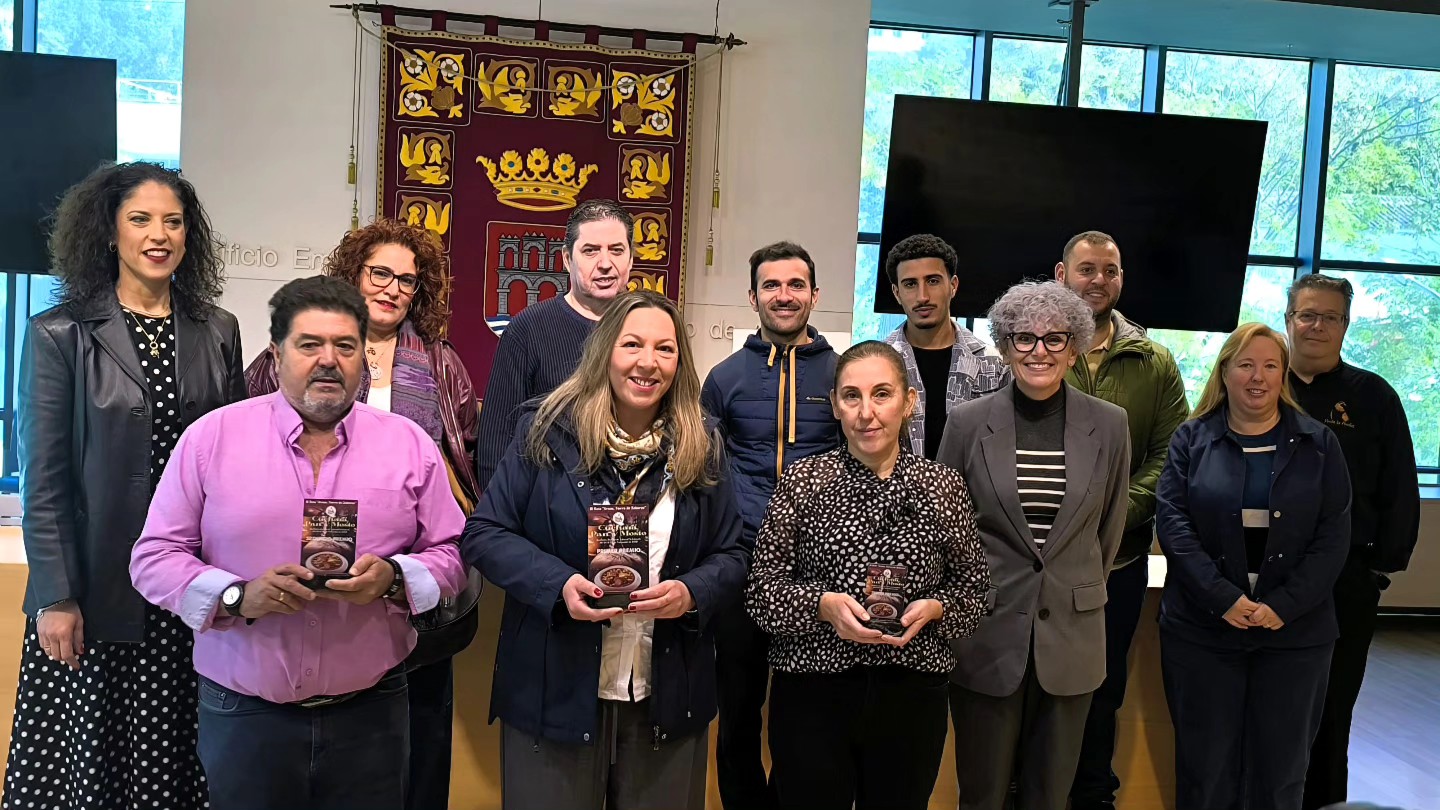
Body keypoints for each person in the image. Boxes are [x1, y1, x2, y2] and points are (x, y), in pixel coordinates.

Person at [129, 275, 468, 810]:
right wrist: (236, 596)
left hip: (372, 713)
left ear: (363, 358)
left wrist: (395, 579)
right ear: (276, 353)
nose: (328, 360)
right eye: (310, 344)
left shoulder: (409, 446)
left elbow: (453, 552)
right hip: (245, 714)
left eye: (345, 346)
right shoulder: (211, 439)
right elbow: (153, 558)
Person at [3, 161, 243, 810]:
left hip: (186, 584)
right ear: (109, 232)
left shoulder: (218, 329)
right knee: (94, 764)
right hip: (92, 590)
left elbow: (232, 464)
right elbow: (44, 481)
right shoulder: (59, 333)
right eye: (140, 219)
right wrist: (55, 596)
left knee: (179, 757)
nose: (158, 235)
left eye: (173, 221)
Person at [464, 290, 747, 810]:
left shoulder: (702, 442)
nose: (648, 362)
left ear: (680, 361)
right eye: (632, 344)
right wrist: (557, 585)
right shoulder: (546, 429)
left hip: (666, 696)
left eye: (665, 348)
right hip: (554, 690)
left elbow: (732, 554)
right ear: (604, 351)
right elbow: (485, 533)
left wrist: (691, 592)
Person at [244, 218, 482, 810]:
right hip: (296, 579)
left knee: (418, 743)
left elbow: (467, 459)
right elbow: (246, 440)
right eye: (380, 273)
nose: (392, 289)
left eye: (407, 280)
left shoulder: (441, 363)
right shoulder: (294, 352)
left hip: (408, 581)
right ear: (353, 273)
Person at [745, 340, 989, 810]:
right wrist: (822, 606)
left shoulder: (941, 486)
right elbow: (761, 594)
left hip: (911, 690)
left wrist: (938, 608)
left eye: (881, 394)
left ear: (908, 401)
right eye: (852, 396)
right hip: (814, 689)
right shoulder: (804, 482)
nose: (866, 413)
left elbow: (975, 591)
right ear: (836, 405)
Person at [937, 281, 1130, 810]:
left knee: (1050, 796)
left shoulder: (1110, 425)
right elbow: (947, 528)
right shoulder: (967, 423)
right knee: (982, 794)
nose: (1038, 351)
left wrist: (1073, 586)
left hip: (1072, 635)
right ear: (1004, 346)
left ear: (1074, 348)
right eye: (1023, 338)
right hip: (987, 631)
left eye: (1054, 339)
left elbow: (1108, 527)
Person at [1155, 322, 1352, 810]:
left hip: (1295, 637)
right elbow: (1174, 526)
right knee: (1205, 771)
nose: (1257, 377)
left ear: (1283, 374)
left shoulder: (1320, 443)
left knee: (1281, 773)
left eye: (1269, 365)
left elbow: (1333, 536)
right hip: (1203, 632)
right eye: (1245, 365)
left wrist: (1284, 605)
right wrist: (1223, 598)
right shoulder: (1190, 440)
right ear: (1224, 372)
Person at [700, 240, 841, 810]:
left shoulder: (842, 373)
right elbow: (703, 471)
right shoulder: (724, 377)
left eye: (795, 285)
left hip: (817, 568)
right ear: (753, 295)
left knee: (803, 710)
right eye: (772, 285)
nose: (784, 296)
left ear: (815, 294)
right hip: (743, 564)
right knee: (737, 707)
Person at [1053, 230, 1190, 810]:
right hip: (1040, 563)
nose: (1098, 281)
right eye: (1087, 269)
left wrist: (1113, 514)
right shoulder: (1031, 350)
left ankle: (1092, 796)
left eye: (1109, 271)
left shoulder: (1154, 362)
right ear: (1061, 275)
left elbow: (1171, 454)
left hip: (1120, 562)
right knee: (1038, 686)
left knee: (1104, 688)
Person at [1281, 275, 1421, 810]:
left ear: (1345, 325)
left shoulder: (1373, 397)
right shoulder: (1262, 383)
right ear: (1289, 319)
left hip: (1346, 584)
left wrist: (1377, 569)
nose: (1317, 326)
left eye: (1330, 317)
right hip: (1266, 581)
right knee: (1272, 712)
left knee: (1332, 714)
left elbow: (1398, 488)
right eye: (1307, 315)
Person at [474, 198, 635, 491]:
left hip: (630, 505)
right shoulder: (528, 329)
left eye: (616, 250)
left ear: (631, 259)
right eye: (590, 251)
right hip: (544, 504)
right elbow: (496, 443)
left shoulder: (650, 329)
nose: (605, 263)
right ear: (567, 259)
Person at [882, 233, 1010, 460]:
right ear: (896, 293)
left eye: (933, 281)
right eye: (910, 284)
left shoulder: (992, 364)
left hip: (970, 482)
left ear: (953, 286)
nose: (922, 296)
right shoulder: (879, 364)